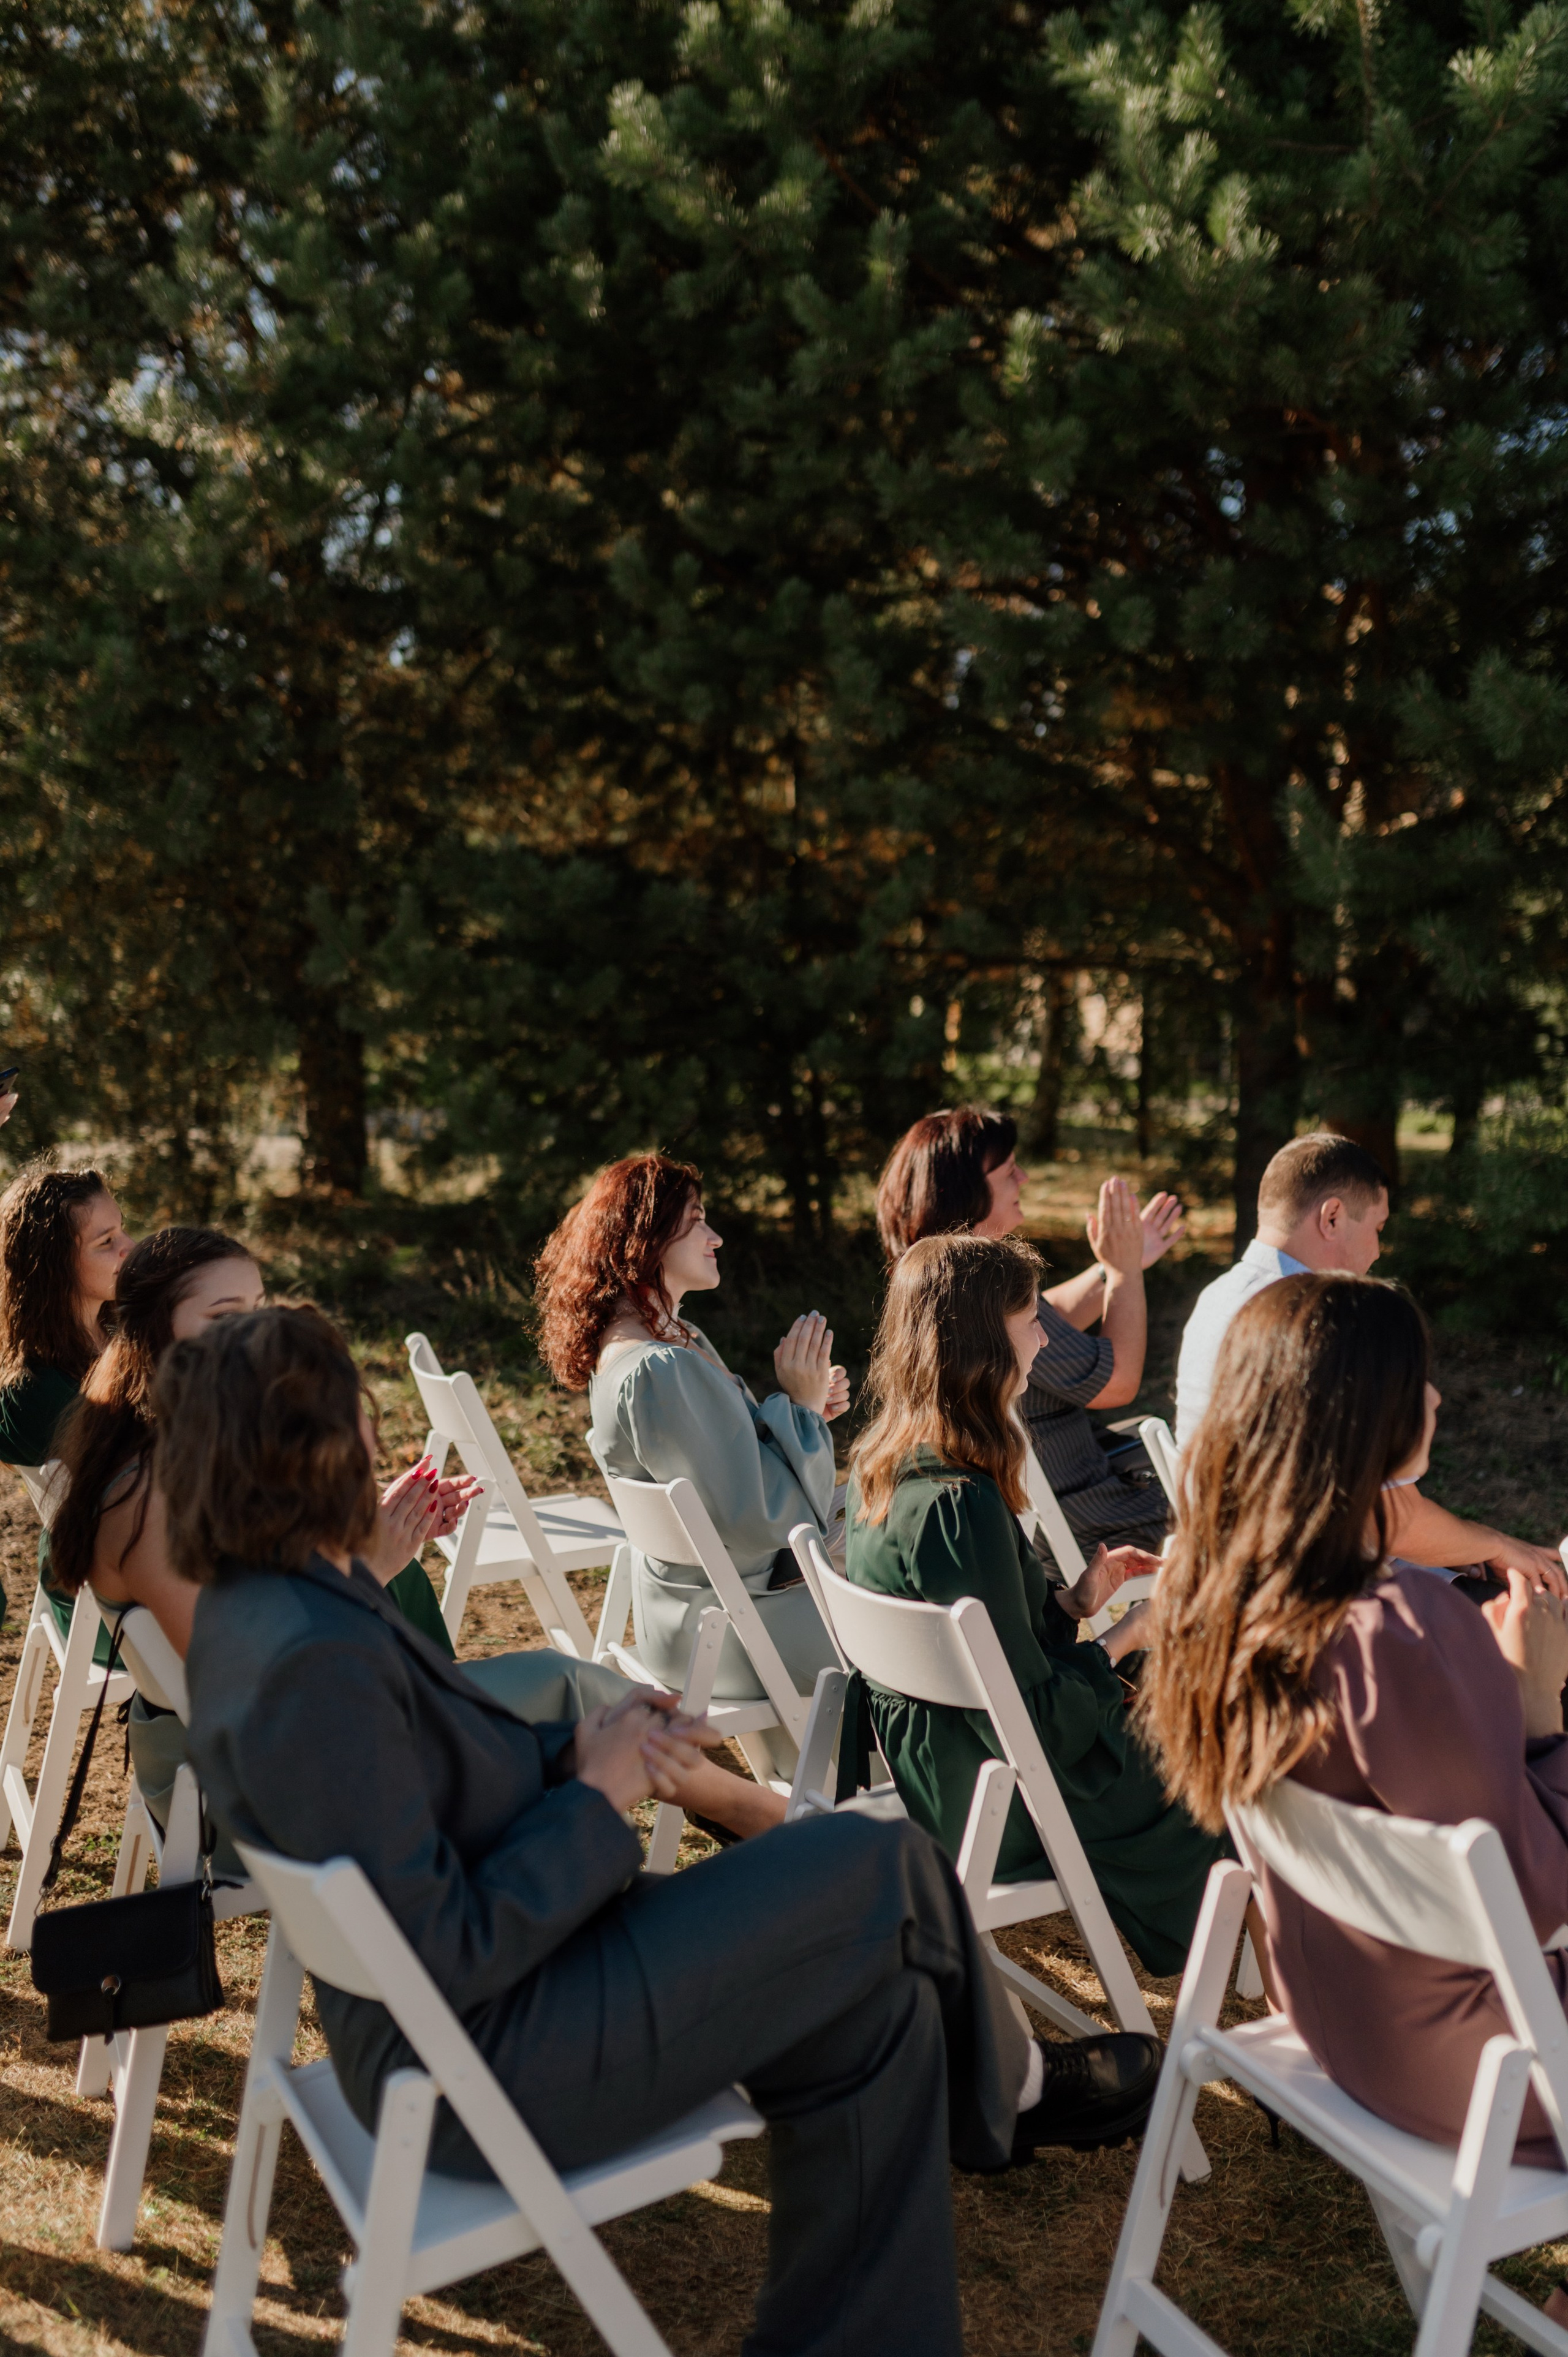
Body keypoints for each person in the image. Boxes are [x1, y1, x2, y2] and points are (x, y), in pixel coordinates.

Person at [172, 1305, 1166, 2357]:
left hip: (507, 1996)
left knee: (880, 2011)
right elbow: (447, 1943)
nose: (376, 1441)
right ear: (305, 1449)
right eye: (359, 1420)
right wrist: (595, 1796)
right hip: (492, 2061)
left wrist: (584, 1748)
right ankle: (1007, 2096)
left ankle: (918, 2232)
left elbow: (426, 1795)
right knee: (883, 1858)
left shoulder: (266, 1606)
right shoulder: (304, 1663)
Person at [1140, 1271, 1568, 2345]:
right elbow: (1533, 1908)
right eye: (1417, 1384)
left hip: (1335, 2005)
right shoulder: (1406, 1628)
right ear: (1362, 1417)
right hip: (1470, 2059)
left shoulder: (1219, 1591)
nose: (1437, 1402)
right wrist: (1542, 1710)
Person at [845, 1231, 1227, 1975]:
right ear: (987, 1341)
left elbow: (982, 1642)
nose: (1044, 1335)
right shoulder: (960, 1504)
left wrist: (1073, 1599)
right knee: (1216, 1734)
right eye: (1031, 1319)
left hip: (947, 1767)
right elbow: (1041, 1723)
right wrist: (1125, 1634)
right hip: (1006, 1801)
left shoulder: (886, 1467)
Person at [1174, 1132, 1566, 1593]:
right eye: (1377, 1228)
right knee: (1543, 1615)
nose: (1378, 1252)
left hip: (1236, 1569)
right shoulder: (1310, 1322)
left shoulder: (1219, 1296)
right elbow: (1388, 1518)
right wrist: (1495, 1546)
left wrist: (1461, 1550)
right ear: (1333, 1217)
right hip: (1317, 1593)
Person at [538, 1154, 847, 1731]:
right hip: (734, 1623)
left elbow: (730, 1466)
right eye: (698, 1220)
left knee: (884, 1508)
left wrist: (803, 1415)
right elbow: (764, 1521)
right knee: (916, 1610)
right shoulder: (660, 1369)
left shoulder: (661, 1341)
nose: (716, 1236)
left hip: (696, 1611)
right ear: (648, 1237)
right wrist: (800, 1410)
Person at [875, 1106, 1185, 1563]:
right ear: (966, 1191)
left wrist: (1115, 1268)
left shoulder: (940, 1282)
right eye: (1007, 1171)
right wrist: (1123, 1273)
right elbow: (1119, 1382)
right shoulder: (989, 1291)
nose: (1022, 1178)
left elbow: (1046, 1314)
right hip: (1086, 1519)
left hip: (1048, 1511)